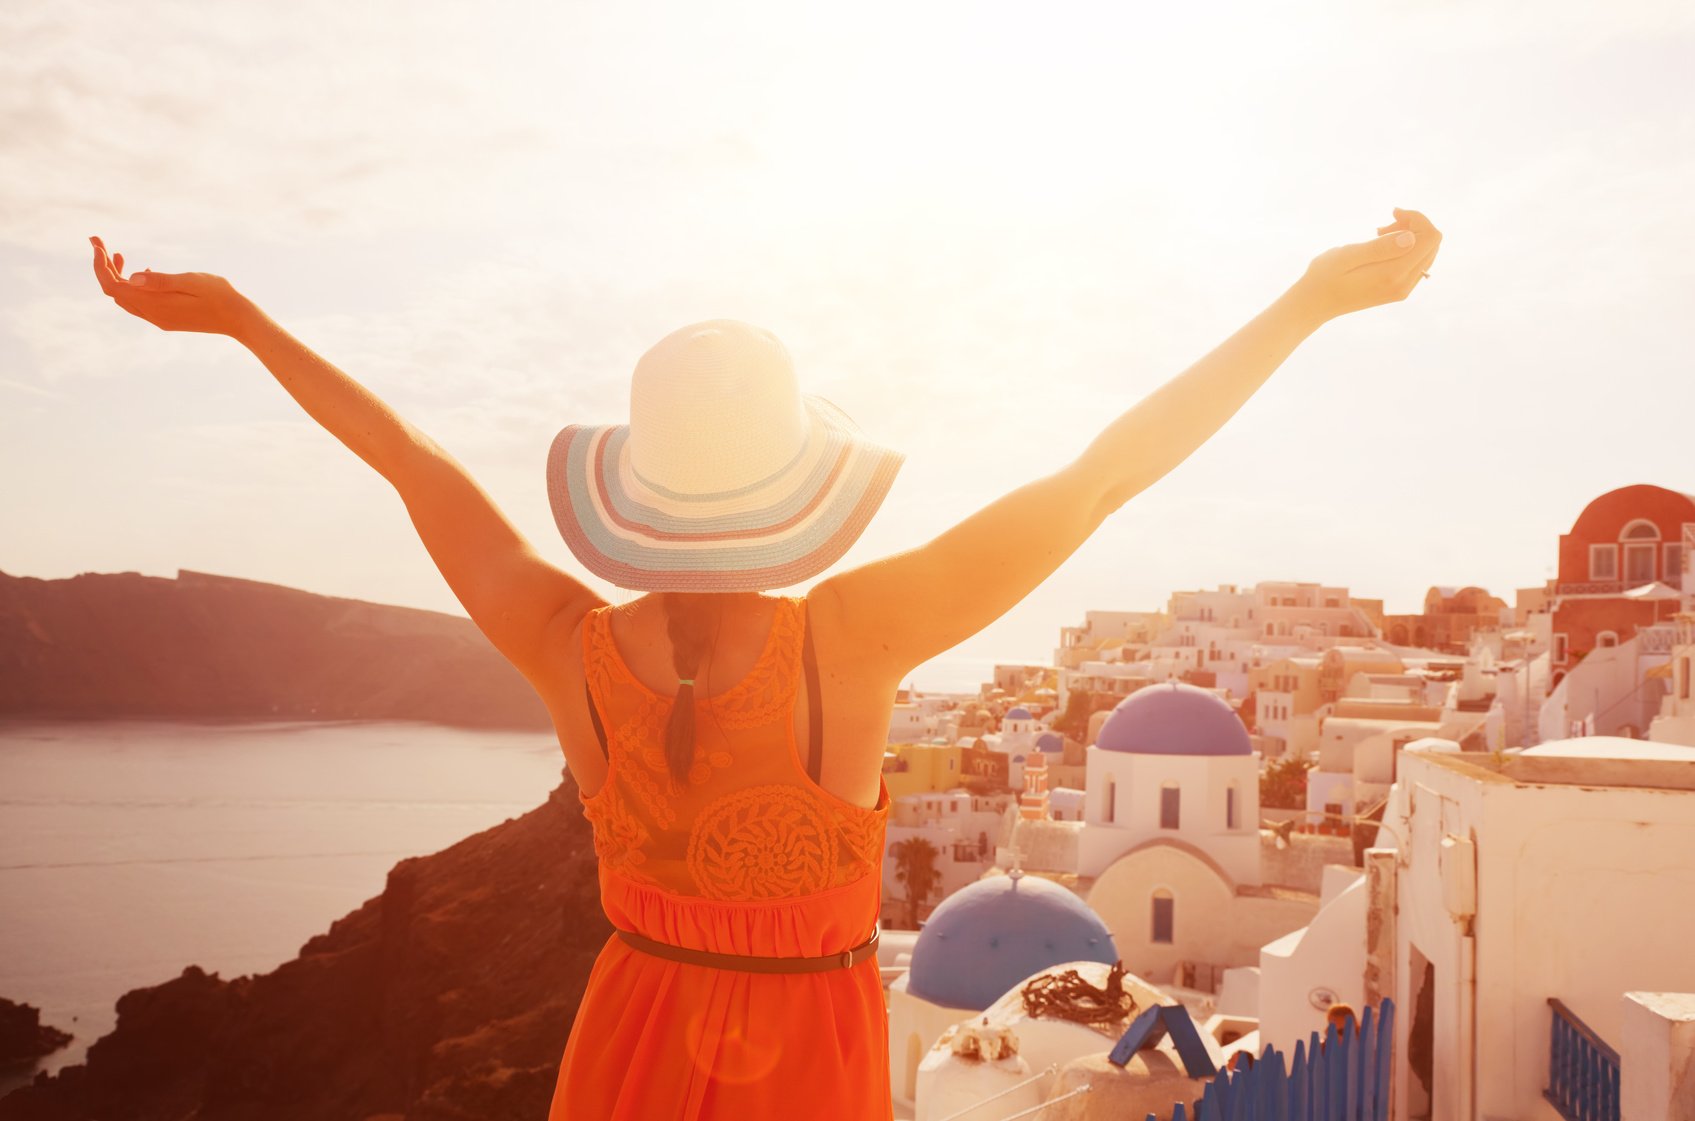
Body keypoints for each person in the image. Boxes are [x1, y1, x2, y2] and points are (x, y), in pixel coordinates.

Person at [88, 210, 1441, 1120]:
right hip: (806, 1058)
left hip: (623, 1032)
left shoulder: (563, 640)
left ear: (637, 488)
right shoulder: (846, 639)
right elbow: (1099, 481)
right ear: (790, 486)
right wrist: (1310, 302)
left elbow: (408, 463)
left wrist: (244, 321)